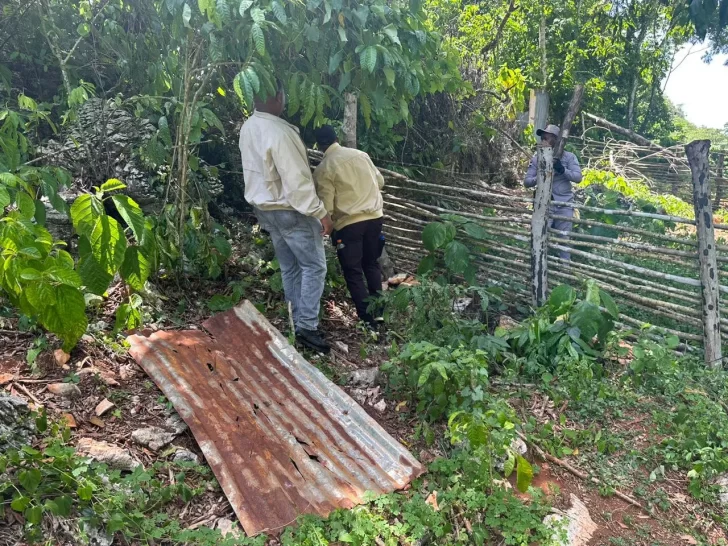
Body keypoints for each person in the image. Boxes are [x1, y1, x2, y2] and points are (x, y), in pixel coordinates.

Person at [239, 82, 334, 353]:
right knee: (314, 266)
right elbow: (297, 183)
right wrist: (321, 213)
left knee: (290, 266)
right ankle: (307, 327)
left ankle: (296, 321)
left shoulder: (248, 127)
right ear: (277, 96)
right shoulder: (280, 132)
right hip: (290, 209)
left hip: (265, 209)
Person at [313, 125, 385, 328]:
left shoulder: (324, 168)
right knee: (371, 264)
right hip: (375, 218)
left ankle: (367, 320)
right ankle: (379, 313)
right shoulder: (361, 155)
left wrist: (326, 225)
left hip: (349, 224)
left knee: (353, 271)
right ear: (337, 138)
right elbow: (380, 181)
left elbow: (326, 205)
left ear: (318, 145)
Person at [524, 124, 583, 260]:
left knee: (564, 239)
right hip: (544, 204)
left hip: (564, 204)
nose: (544, 140)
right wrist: (542, 174)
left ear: (557, 141)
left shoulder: (569, 157)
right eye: (543, 137)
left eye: (548, 138)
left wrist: (562, 170)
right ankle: (537, 265)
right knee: (540, 236)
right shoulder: (537, 158)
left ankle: (564, 270)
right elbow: (527, 182)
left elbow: (578, 177)